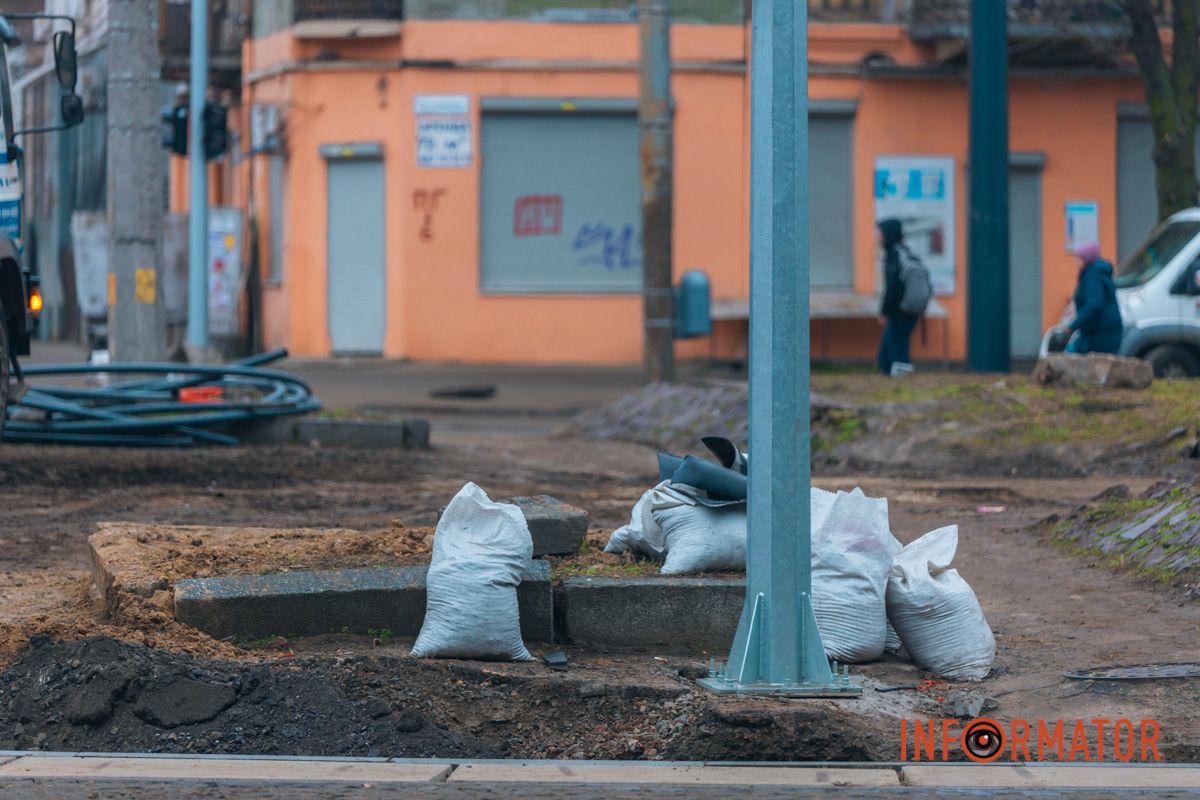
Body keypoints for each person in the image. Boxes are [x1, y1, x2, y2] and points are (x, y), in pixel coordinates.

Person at [876, 218, 919, 376]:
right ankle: (891, 374)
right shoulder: (905, 251)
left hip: (900, 309)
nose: (878, 236)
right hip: (910, 306)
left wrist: (885, 311)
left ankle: (901, 378)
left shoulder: (894, 254)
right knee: (890, 349)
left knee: (898, 346)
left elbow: (892, 287)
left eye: (880, 232)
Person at [1066, 241, 1123, 354]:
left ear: (1086, 259)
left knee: (1071, 357)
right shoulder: (1095, 272)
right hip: (1097, 331)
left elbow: (1094, 304)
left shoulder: (1093, 275)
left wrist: (1073, 325)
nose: (1075, 261)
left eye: (1078, 257)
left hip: (1101, 334)